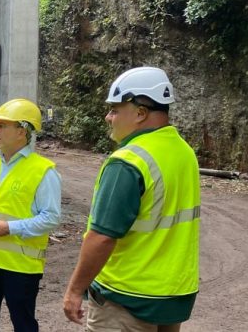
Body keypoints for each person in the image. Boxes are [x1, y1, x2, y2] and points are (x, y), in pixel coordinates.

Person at [62, 67, 200, 331]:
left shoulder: (127, 162)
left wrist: (75, 289)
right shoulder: (184, 152)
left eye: (115, 110)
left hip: (126, 297)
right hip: (172, 296)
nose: (108, 117)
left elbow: (102, 237)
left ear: (140, 113)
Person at [0, 98, 62, 332]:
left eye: (2, 125)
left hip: (20, 266)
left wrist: (9, 228)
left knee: (23, 325)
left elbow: (51, 217)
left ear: (22, 131)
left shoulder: (43, 171)